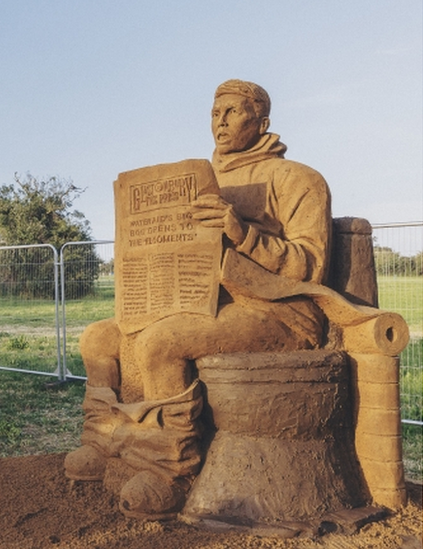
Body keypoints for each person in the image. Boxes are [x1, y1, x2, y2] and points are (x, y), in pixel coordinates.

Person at [66, 79, 332, 519]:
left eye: (232, 112)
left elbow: (309, 265)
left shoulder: (298, 179)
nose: (220, 121)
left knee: (161, 343)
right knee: (99, 338)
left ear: (262, 121)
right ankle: (104, 441)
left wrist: (243, 234)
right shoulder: (200, 182)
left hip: (278, 311)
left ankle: (170, 471)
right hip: (200, 300)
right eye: (215, 112)